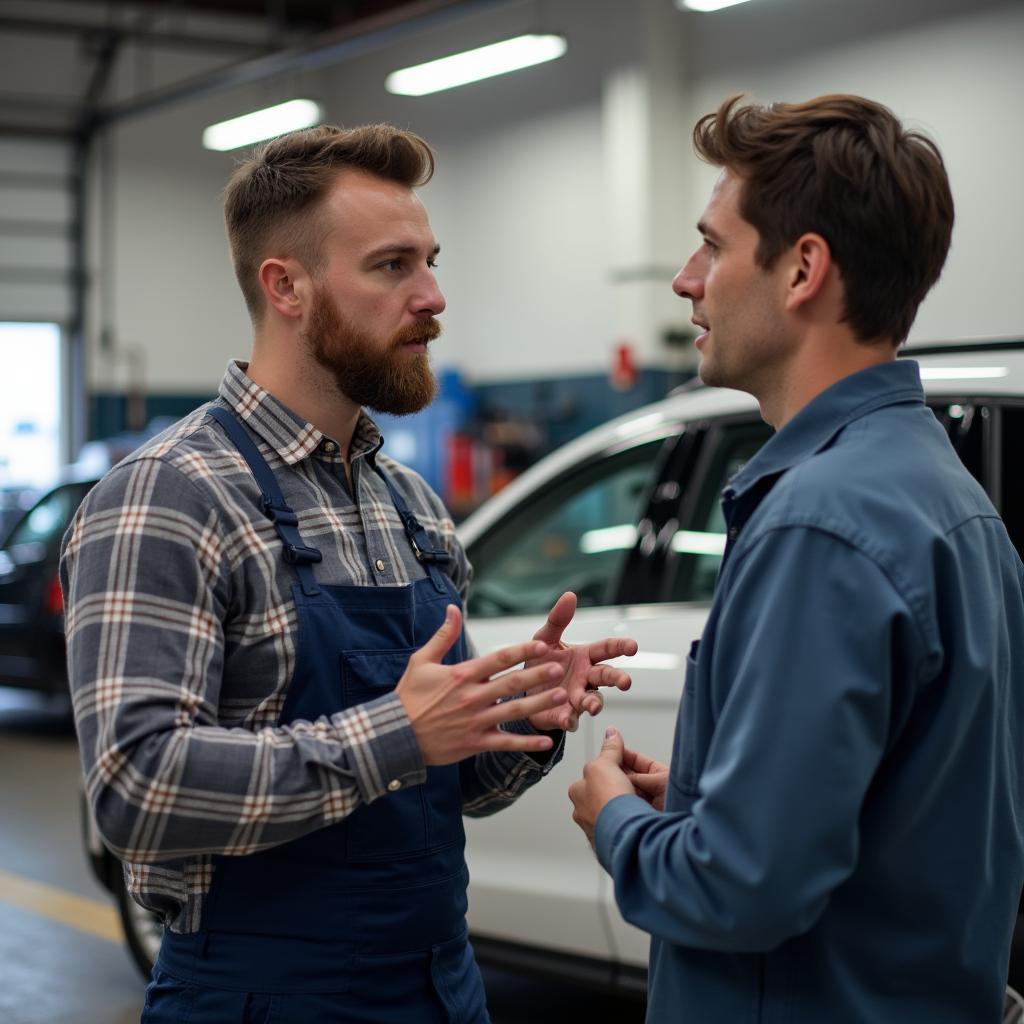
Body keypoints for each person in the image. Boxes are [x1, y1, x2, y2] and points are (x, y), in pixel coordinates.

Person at [61, 123, 637, 1024]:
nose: (433, 297)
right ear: (285, 286)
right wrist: (396, 735)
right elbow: (139, 786)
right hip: (262, 995)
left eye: (431, 262)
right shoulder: (169, 495)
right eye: (392, 266)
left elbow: (457, 784)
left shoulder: (408, 503)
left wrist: (519, 717)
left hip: (442, 986)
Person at [569, 93, 1024, 1022]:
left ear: (803, 269)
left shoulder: (820, 522)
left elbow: (740, 890)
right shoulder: (952, 502)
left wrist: (615, 819)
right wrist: (701, 795)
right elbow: (907, 814)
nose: (687, 281)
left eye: (712, 245)